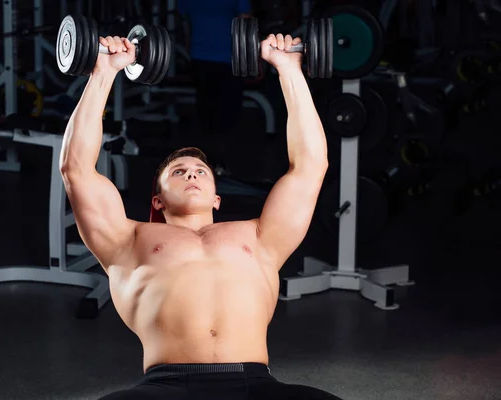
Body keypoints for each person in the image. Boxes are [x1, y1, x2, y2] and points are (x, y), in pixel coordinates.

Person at [60, 30, 338, 400]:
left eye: (200, 171)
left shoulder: (259, 236)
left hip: (254, 384)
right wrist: (104, 71)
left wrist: (289, 69)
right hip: (166, 387)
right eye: (178, 172)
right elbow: (76, 169)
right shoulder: (130, 241)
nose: (191, 173)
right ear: (157, 201)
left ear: (217, 199)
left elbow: (310, 165)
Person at [177, 0, 252, 175]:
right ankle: (213, 163)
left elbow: (246, 25)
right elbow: (185, 25)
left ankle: (216, 162)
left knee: (219, 112)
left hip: (226, 59)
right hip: (207, 59)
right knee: (212, 113)